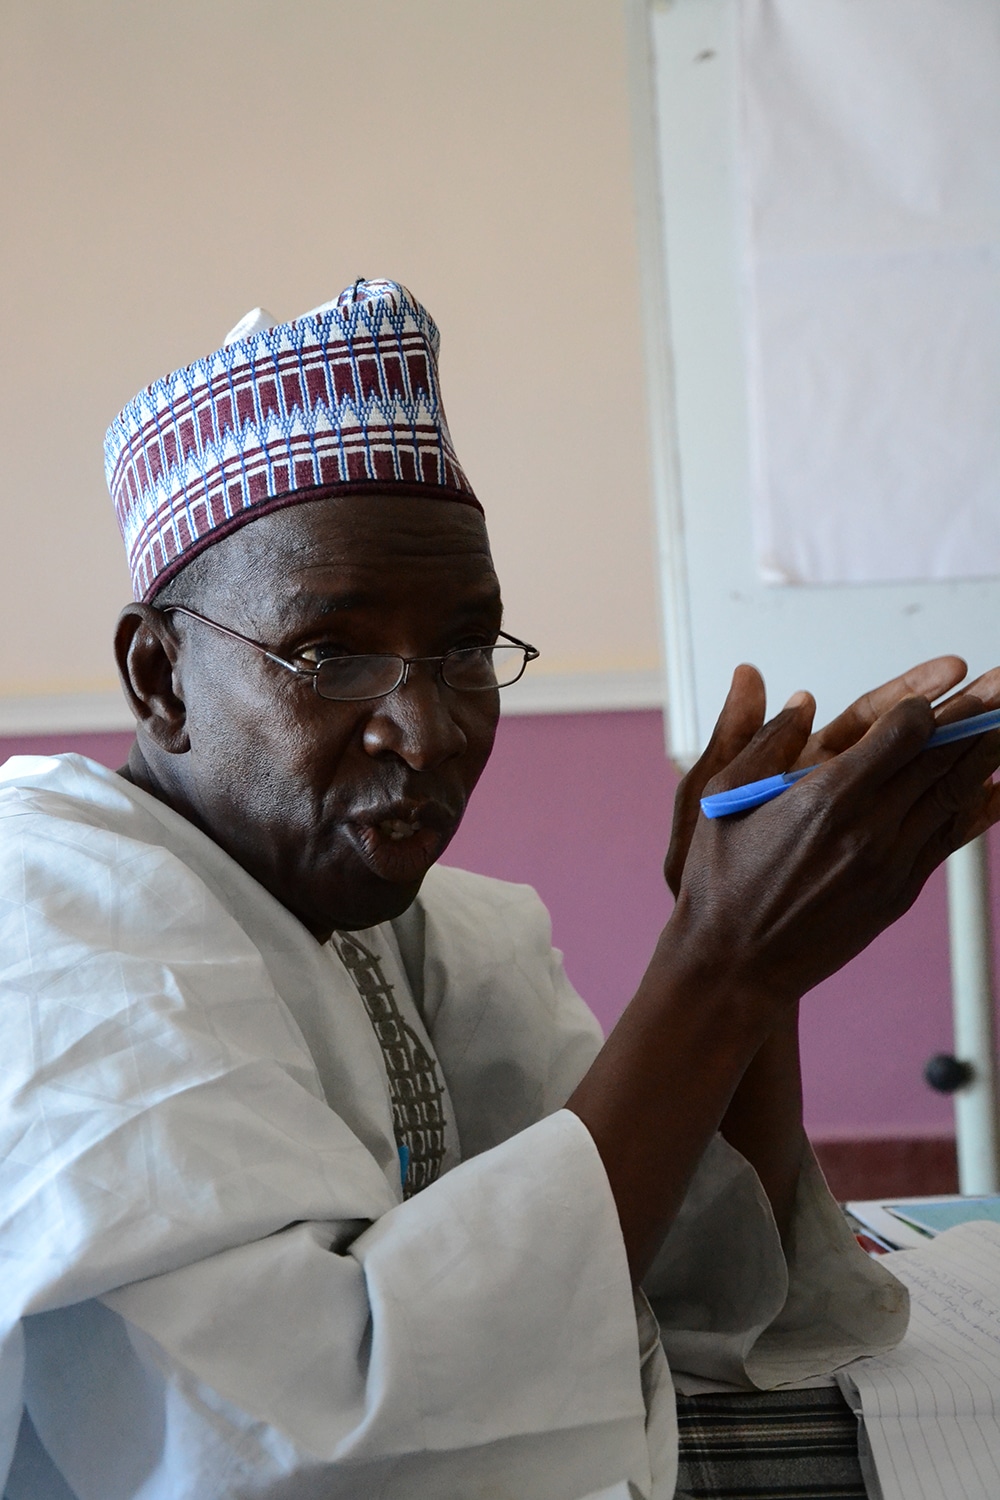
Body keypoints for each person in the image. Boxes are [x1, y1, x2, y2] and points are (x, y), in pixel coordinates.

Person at [1, 279, 998, 1500]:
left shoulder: (423, 928)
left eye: (467, 649)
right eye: (331, 653)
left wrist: (753, 958)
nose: (425, 731)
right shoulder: (51, 924)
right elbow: (308, 1449)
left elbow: (689, 1282)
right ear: (160, 678)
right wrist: (718, 967)